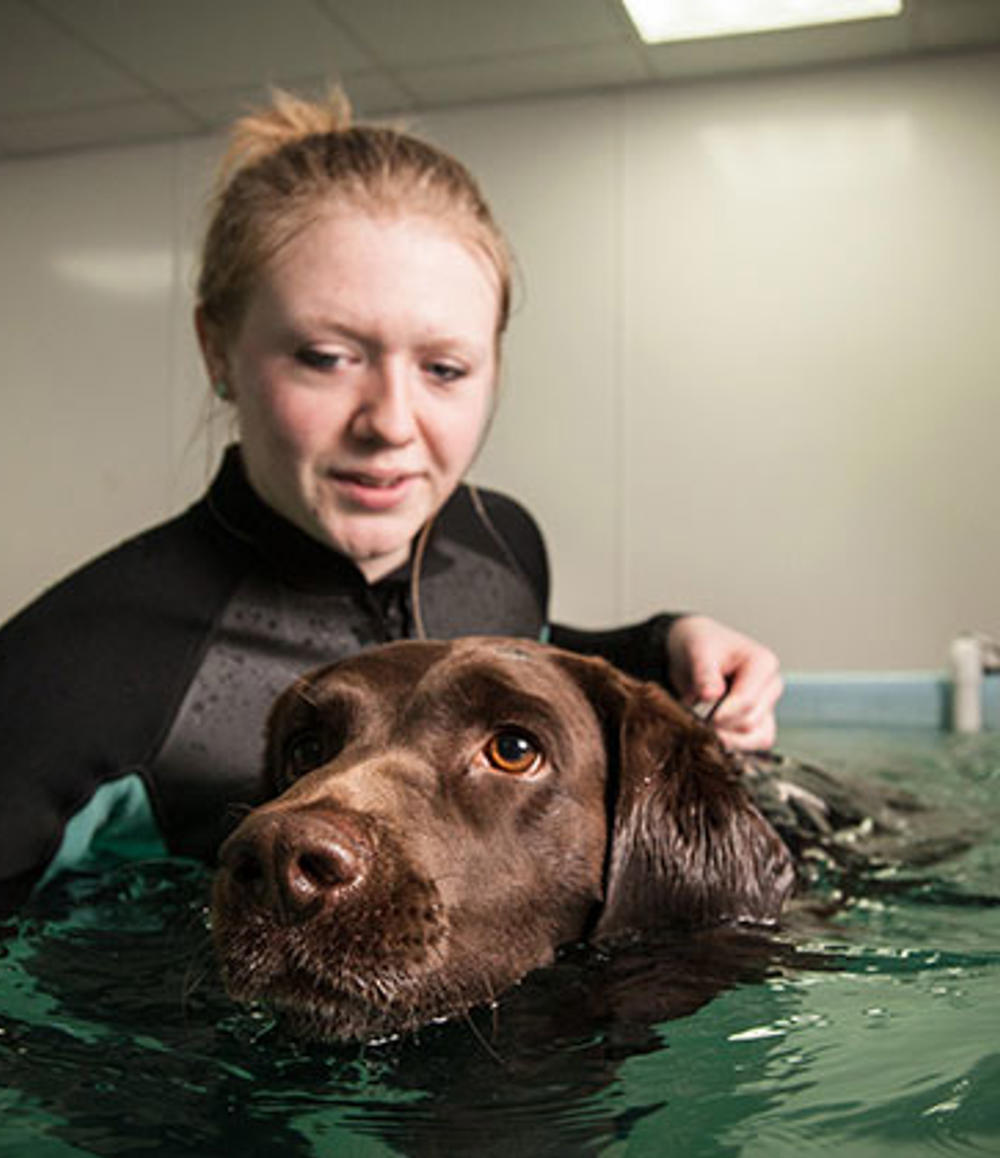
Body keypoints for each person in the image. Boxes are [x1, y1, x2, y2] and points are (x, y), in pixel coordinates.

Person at [0, 89, 782, 915]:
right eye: (326, 357)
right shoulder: (68, 673)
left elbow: (529, 651)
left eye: (444, 369)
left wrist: (666, 643)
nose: (392, 424)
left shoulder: (498, 544)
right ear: (216, 350)